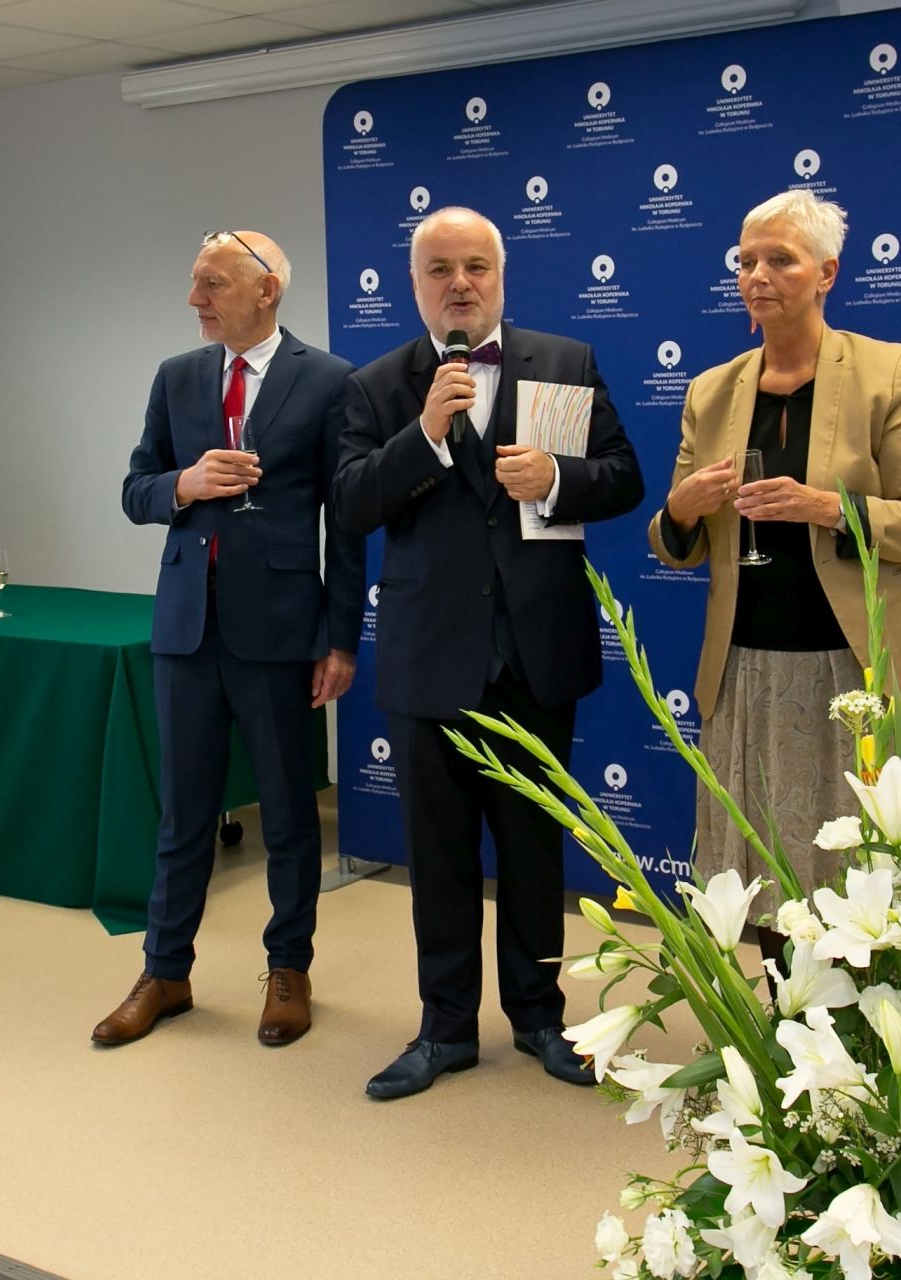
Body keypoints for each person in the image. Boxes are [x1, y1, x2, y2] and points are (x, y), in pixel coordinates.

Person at [334, 207, 644, 1099]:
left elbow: (624, 477)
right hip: (431, 660)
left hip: (534, 656)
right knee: (437, 859)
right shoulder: (378, 385)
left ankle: (540, 1017)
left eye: (476, 266)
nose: (460, 283)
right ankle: (444, 1030)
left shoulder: (566, 362)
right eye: (440, 269)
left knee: (534, 852)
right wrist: (425, 436)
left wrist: (558, 478)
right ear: (416, 284)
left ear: (501, 276)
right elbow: (351, 504)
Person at [648, 190, 901, 966]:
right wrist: (682, 511)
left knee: (875, 875)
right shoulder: (711, 390)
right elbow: (676, 543)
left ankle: (876, 1030)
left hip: (864, 672)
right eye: (746, 261)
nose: (757, 275)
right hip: (751, 671)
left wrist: (827, 507)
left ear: (827, 272)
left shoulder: (885, 371)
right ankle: (785, 1018)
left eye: (780, 260)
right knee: (765, 873)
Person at [100, 230, 362, 1048]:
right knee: (183, 816)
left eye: (211, 284)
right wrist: (184, 484)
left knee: (287, 815)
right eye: (195, 282)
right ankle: (165, 972)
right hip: (186, 629)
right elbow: (135, 489)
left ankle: (288, 970)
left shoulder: (329, 380)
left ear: (265, 290)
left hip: (280, 631)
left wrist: (341, 640)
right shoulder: (176, 376)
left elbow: (347, 523)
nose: (195, 299)